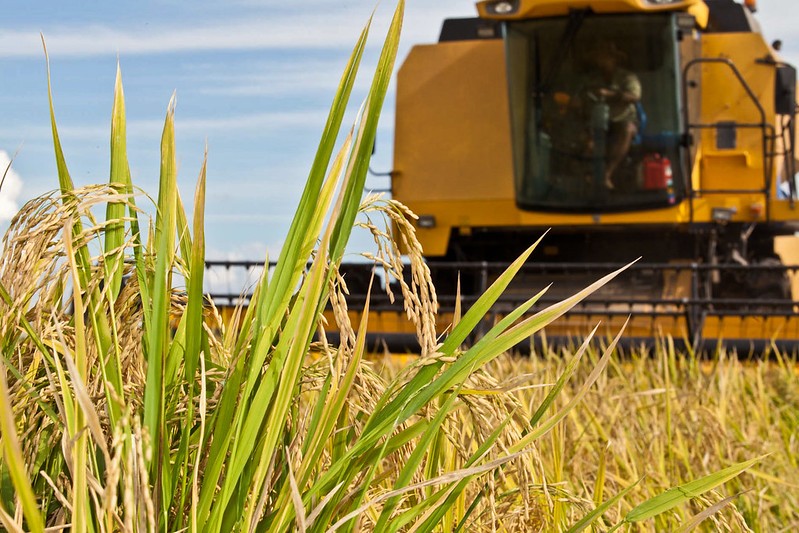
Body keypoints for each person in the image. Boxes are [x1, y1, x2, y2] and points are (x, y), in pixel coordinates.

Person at [583, 40, 641, 189]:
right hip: (596, 120)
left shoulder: (627, 77)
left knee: (627, 130)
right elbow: (582, 96)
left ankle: (607, 174)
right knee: (584, 139)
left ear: (614, 59)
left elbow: (635, 96)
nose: (601, 60)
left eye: (605, 57)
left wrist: (610, 94)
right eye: (599, 57)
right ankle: (586, 175)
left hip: (622, 120)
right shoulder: (592, 78)